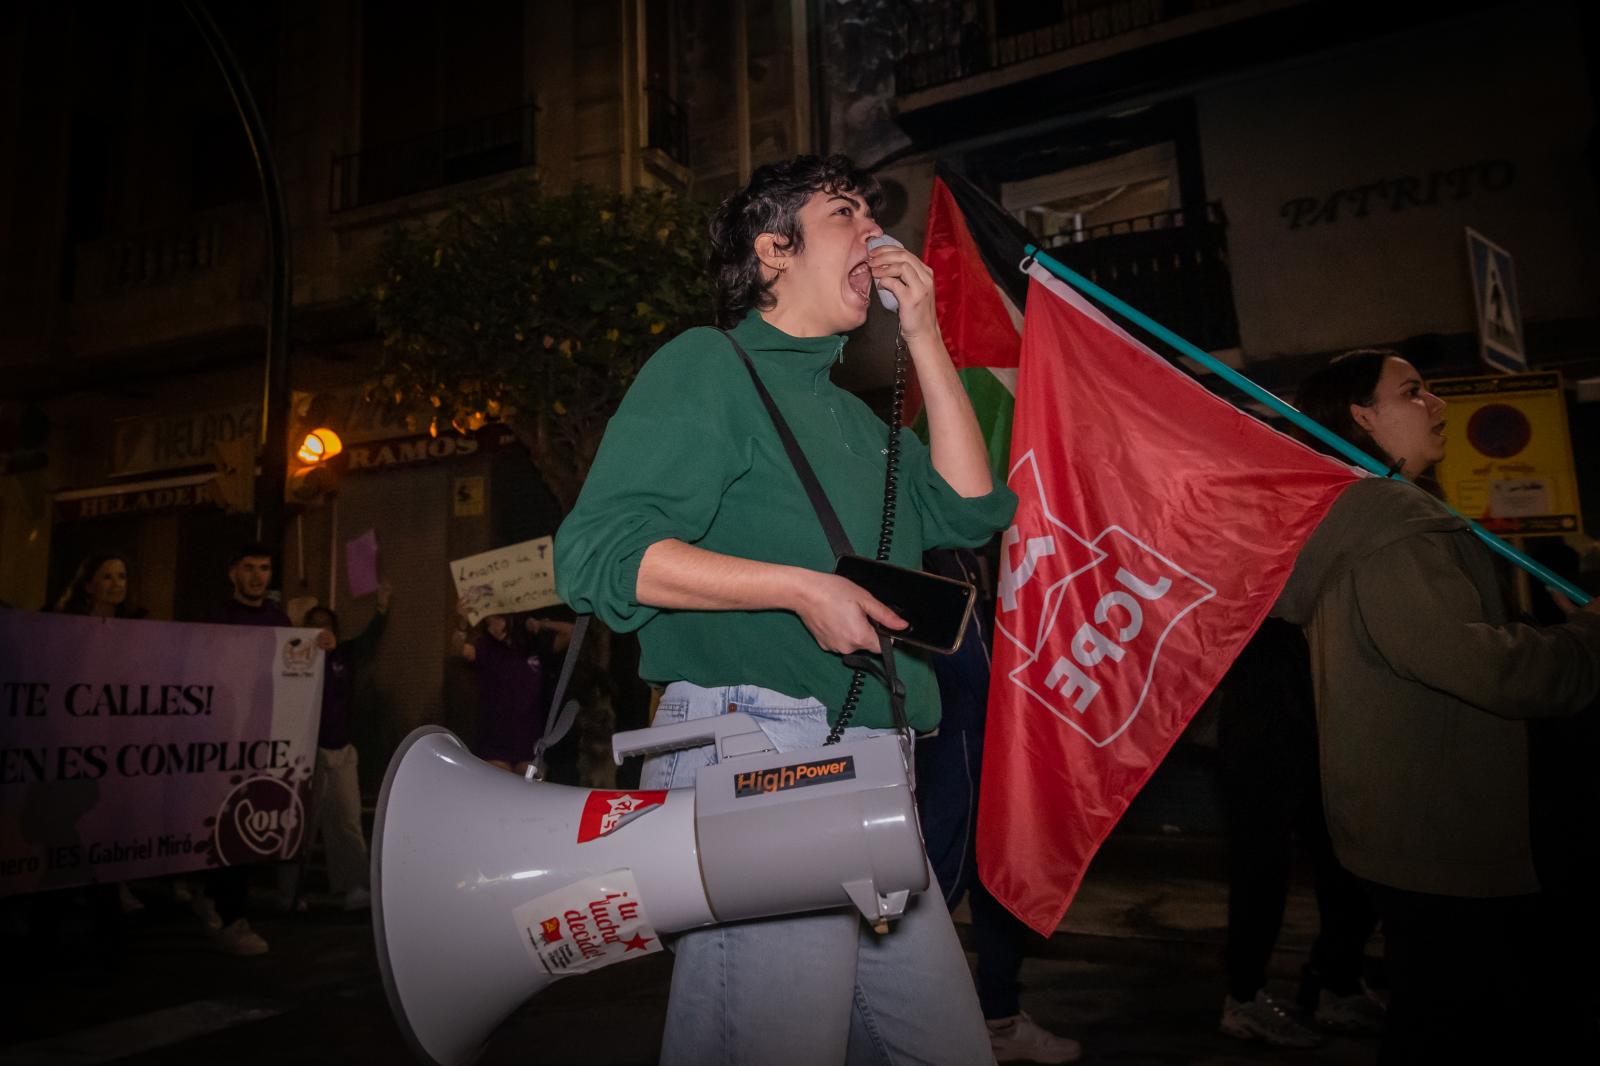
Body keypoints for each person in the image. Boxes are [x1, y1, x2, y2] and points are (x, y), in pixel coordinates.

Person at [555, 153, 1017, 1064]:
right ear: (774, 250)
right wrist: (798, 588)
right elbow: (597, 555)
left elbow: (969, 509)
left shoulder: (853, 413)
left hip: (869, 769)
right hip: (760, 745)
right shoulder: (709, 365)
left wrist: (925, 335)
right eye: (846, 211)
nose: (875, 232)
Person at [1273, 349, 1600, 1063]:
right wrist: (1585, 642)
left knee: (1438, 1013)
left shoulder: (1353, 519)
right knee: (1464, 1022)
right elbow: (1475, 664)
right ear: (1361, 417)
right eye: (1413, 392)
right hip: (1450, 829)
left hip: (1406, 827)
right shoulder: (1395, 525)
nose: (1439, 406)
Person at [915, 549, 1083, 1064]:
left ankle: (998, 1017)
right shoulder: (930, 536)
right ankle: (906, 1022)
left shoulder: (971, 542)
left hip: (986, 731)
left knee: (999, 877)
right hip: (961, 734)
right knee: (936, 882)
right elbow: (970, 658)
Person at [1215, 618, 1381, 1048]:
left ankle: (1335, 983)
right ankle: (1245, 996)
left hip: (1323, 713)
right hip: (1263, 718)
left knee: (1346, 855)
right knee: (1262, 865)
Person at [195, 542, 290, 956]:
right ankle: (229, 914)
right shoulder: (217, 618)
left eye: (265, 569)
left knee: (246, 823)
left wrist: (318, 643)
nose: (257, 576)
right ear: (233, 572)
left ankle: (222, 906)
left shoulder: (278, 619)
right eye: (249, 568)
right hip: (222, 735)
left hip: (262, 737)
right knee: (222, 822)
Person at [277, 585, 390, 911]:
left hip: (340, 750)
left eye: (328, 624)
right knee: (300, 823)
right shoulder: (293, 657)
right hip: (303, 753)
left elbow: (369, 639)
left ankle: (353, 887)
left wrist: (381, 609)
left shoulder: (344, 655)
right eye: (315, 623)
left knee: (347, 820)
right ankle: (290, 891)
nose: (322, 629)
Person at [451, 606, 546, 776]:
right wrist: (462, 622)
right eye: (488, 622)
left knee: (531, 790)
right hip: (495, 740)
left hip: (529, 738)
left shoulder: (532, 645)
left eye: (497, 619)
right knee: (498, 789)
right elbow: (460, 650)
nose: (493, 627)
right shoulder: (487, 648)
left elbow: (569, 633)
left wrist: (541, 624)